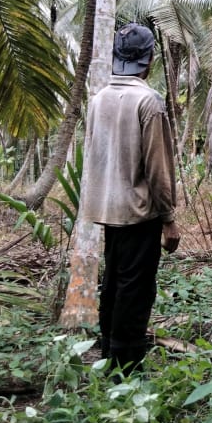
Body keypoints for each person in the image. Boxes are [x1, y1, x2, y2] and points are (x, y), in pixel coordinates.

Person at [81, 23, 179, 374]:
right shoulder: (148, 101)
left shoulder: (98, 99)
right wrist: (168, 218)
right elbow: (157, 167)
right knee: (135, 288)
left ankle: (108, 350)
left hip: (107, 207)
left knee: (114, 281)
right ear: (149, 59)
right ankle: (126, 365)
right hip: (139, 211)